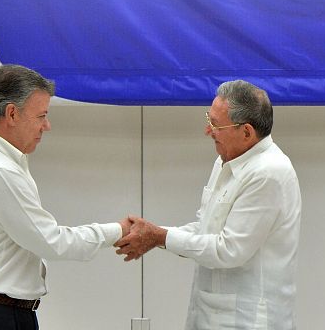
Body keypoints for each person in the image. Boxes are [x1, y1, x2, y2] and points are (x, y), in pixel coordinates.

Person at [0, 64, 130, 330]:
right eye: (41, 116)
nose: (47, 126)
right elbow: (51, 242)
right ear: (11, 114)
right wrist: (119, 230)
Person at [114, 80, 302, 330]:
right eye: (209, 119)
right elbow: (204, 228)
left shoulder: (269, 173)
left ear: (246, 132)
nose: (208, 130)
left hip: (249, 320)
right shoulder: (226, 160)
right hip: (211, 313)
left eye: (216, 124)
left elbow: (229, 249)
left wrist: (159, 237)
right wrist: (152, 235)